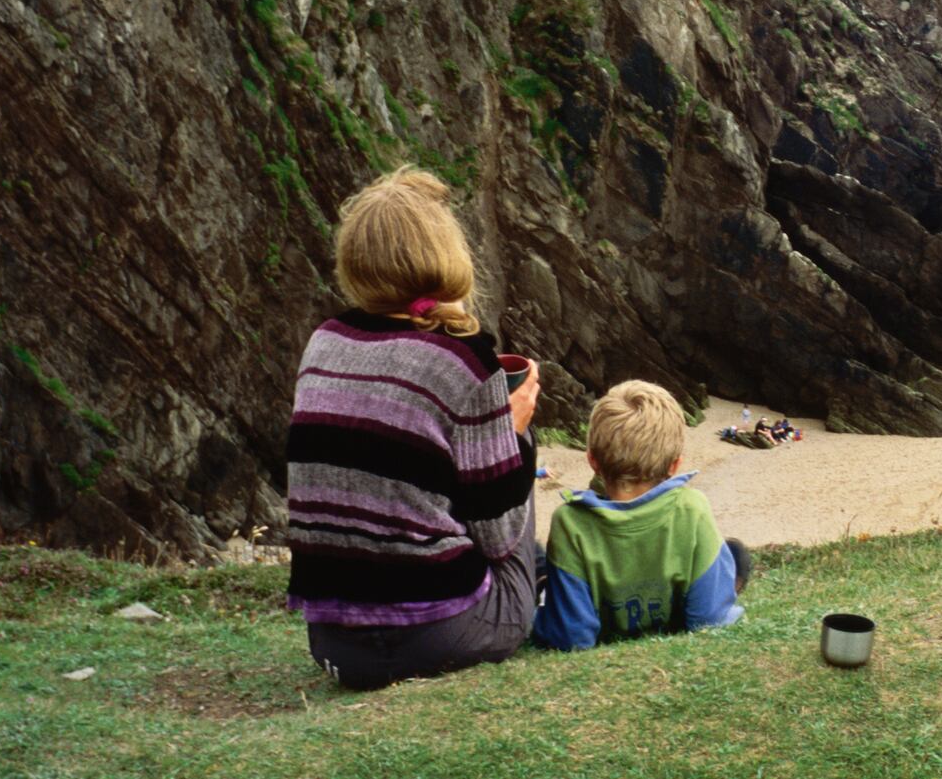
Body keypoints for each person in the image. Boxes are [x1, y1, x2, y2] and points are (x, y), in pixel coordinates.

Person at [285, 167, 541, 690]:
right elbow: (496, 537)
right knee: (517, 489)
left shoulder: (323, 343)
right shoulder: (464, 363)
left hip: (334, 645)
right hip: (442, 636)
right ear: (446, 252)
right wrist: (511, 434)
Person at [532, 381, 747, 650]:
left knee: (535, 563)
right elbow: (710, 620)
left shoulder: (570, 522)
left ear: (592, 461)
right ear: (674, 465)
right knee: (735, 556)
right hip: (676, 624)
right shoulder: (692, 509)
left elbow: (572, 636)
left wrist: (535, 619)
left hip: (597, 633)